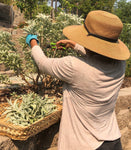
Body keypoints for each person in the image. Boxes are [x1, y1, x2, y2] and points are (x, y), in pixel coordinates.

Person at [26, 10, 130, 150]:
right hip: (112, 140)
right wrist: (74, 45)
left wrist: (33, 42)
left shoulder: (73, 66)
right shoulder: (120, 64)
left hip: (85, 144)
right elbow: (97, 58)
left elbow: (43, 63)